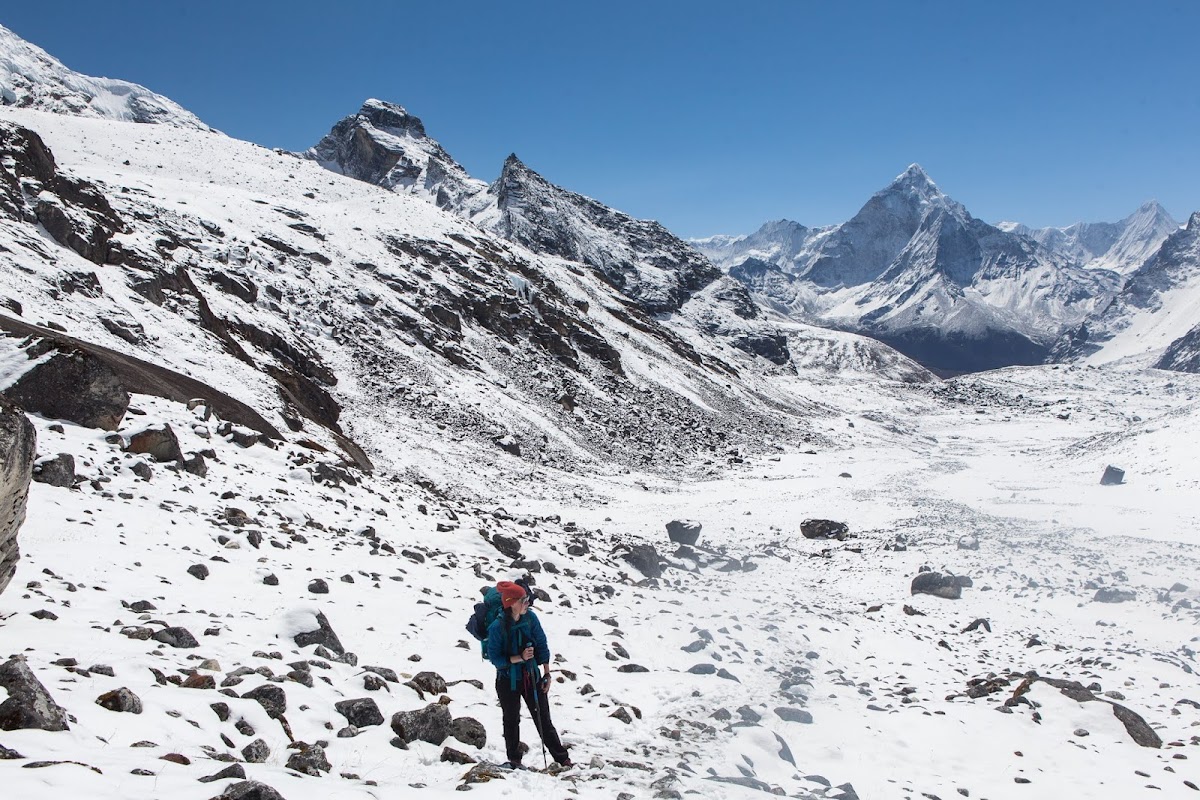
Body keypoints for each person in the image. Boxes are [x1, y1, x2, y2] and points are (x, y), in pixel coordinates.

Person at [486, 580, 572, 769]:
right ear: (512, 603)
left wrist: (547, 674)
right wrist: (520, 657)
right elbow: (495, 658)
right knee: (511, 719)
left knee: (543, 719)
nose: (527, 603)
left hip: (532, 677)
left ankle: (562, 759)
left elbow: (541, 644)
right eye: (523, 600)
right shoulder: (497, 627)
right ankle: (514, 760)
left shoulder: (531, 619)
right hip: (508, 680)